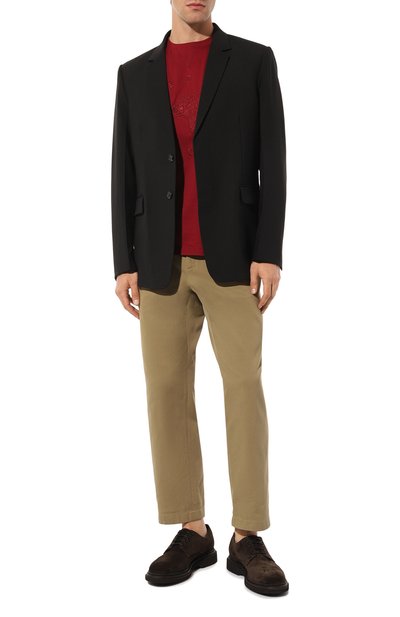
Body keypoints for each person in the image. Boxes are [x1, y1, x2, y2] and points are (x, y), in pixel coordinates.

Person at [111, 0, 289, 597]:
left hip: (234, 256)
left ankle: (247, 535)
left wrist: (269, 249)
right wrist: (123, 260)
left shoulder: (253, 61)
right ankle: (192, 530)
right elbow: (123, 170)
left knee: (243, 386)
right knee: (165, 390)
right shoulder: (134, 74)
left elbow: (273, 160)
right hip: (157, 258)